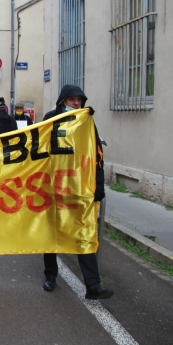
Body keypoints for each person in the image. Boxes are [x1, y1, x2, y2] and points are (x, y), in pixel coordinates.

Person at [41, 84, 113, 300]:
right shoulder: (50, 118)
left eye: (79, 100)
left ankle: (93, 286)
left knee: (84, 233)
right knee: (51, 234)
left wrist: (98, 186)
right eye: (72, 100)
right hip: (53, 186)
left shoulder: (87, 121)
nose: (76, 103)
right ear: (63, 100)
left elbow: (96, 156)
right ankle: (50, 276)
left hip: (79, 188)